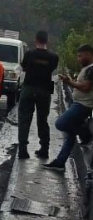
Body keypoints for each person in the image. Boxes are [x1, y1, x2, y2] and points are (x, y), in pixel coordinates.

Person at [43, 45, 93, 171]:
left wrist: (69, 82)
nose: (78, 59)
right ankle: (60, 162)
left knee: (60, 123)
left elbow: (86, 87)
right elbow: (81, 84)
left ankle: (84, 133)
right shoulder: (87, 69)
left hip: (83, 105)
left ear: (88, 54)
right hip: (78, 102)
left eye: (80, 56)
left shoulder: (91, 69)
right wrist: (70, 80)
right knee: (70, 136)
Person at [18, 31, 59, 159]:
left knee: (24, 119)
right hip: (44, 90)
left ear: (35, 40)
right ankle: (44, 149)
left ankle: (23, 149)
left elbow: (23, 67)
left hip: (29, 88)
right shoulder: (54, 57)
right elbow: (52, 69)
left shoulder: (29, 54)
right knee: (42, 120)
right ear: (47, 41)